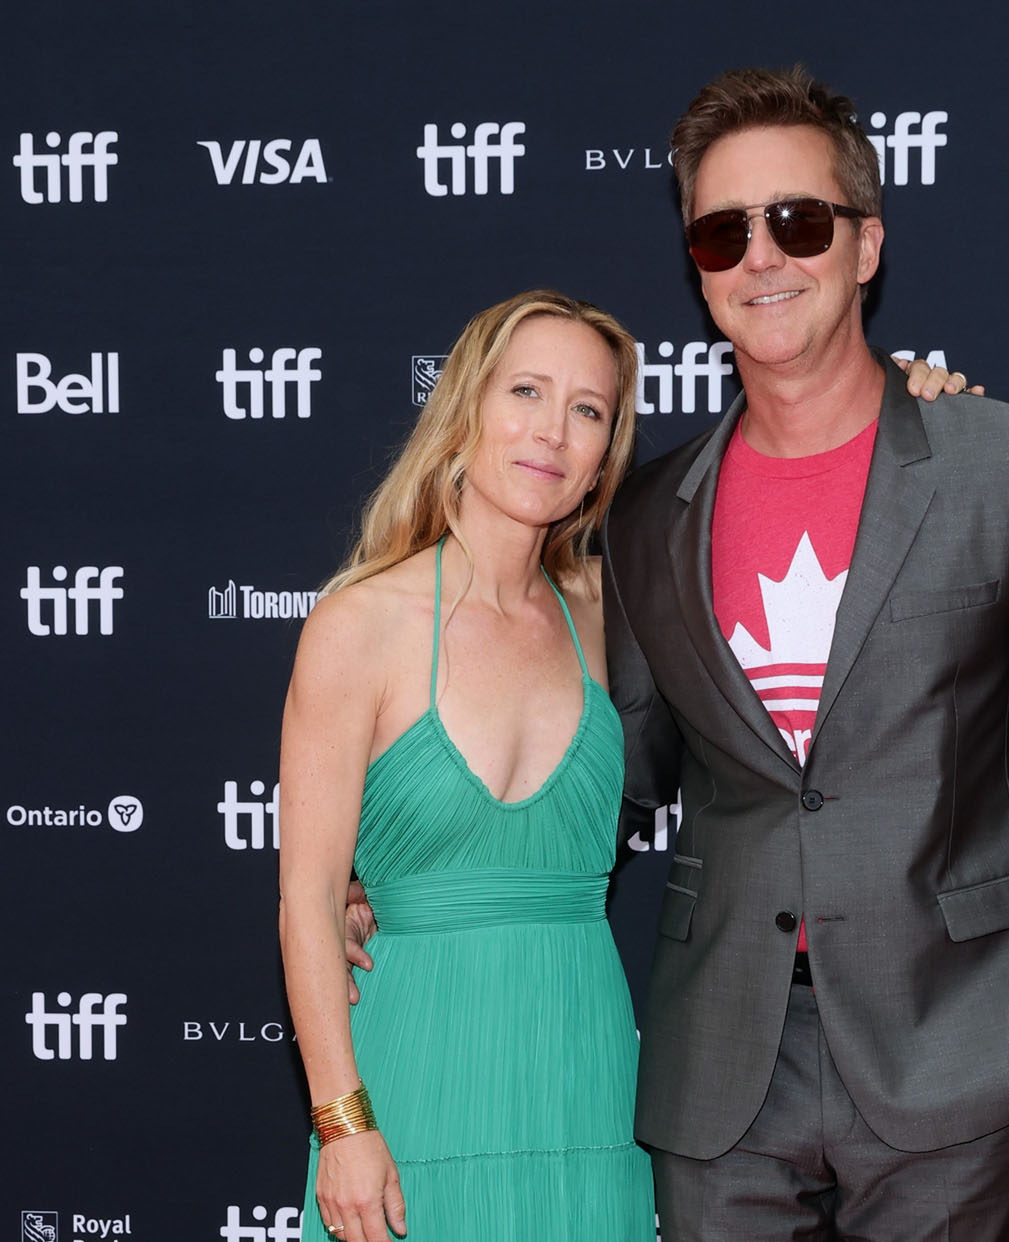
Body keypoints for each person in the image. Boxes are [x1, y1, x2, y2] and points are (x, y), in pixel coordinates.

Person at [599, 67, 1009, 1240]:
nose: (762, 258)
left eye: (797, 221)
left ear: (866, 245)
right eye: (723, 232)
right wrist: (395, 871)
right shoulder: (645, 514)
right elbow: (616, 774)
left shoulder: (1005, 463)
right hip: (722, 1072)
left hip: (961, 1051)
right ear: (697, 265)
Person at [278, 291, 656, 1242]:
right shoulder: (358, 625)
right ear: (466, 408)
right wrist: (343, 1124)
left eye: (587, 409)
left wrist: (909, 401)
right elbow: (309, 900)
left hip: (586, 1084)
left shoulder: (614, 613)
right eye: (526, 391)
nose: (552, 431)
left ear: (605, 455)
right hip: (412, 1083)